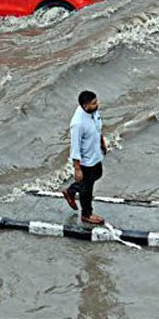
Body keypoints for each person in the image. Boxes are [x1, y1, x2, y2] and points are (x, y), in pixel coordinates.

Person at [61, 90, 107, 225]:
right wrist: (77, 168)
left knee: (97, 174)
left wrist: (102, 142)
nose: (97, 104)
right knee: (87, 188)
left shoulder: (93, 112)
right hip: (86, 161)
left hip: (95, 153)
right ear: (85, 106)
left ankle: (71, 191)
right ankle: (86, 214)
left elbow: (97, 127)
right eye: (94, 103)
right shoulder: (78, 124)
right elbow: (75, 147)